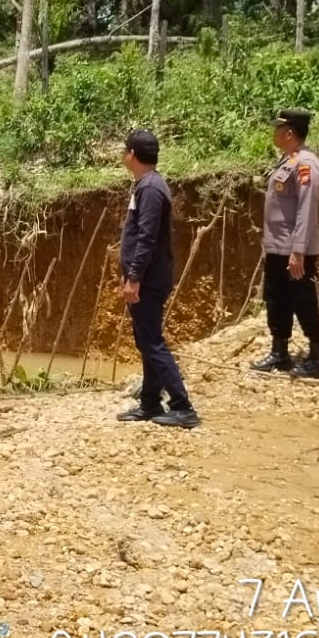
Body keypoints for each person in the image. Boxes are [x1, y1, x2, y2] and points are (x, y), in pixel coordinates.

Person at [116, 129, 199, 427]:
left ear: (133, 155)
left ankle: (182, 405)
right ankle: (150, 402)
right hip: (148, 277)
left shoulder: (150, 189)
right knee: (146, 339)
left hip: (148, 279)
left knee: (152, 342)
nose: (123, 155)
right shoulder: (147, 185)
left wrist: (134, 276)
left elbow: (147, 238)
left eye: (125, 151)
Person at [251, 108, 319, 379]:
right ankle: (279, 351)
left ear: (290, 132)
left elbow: (306, 209)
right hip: (277, 247)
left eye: (278, 128)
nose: (275, 132)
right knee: (276, 298)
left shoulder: (306, 164)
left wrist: (298, 251)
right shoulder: (288, 161)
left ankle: (318, 355)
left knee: (304, 300)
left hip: (295, 250)